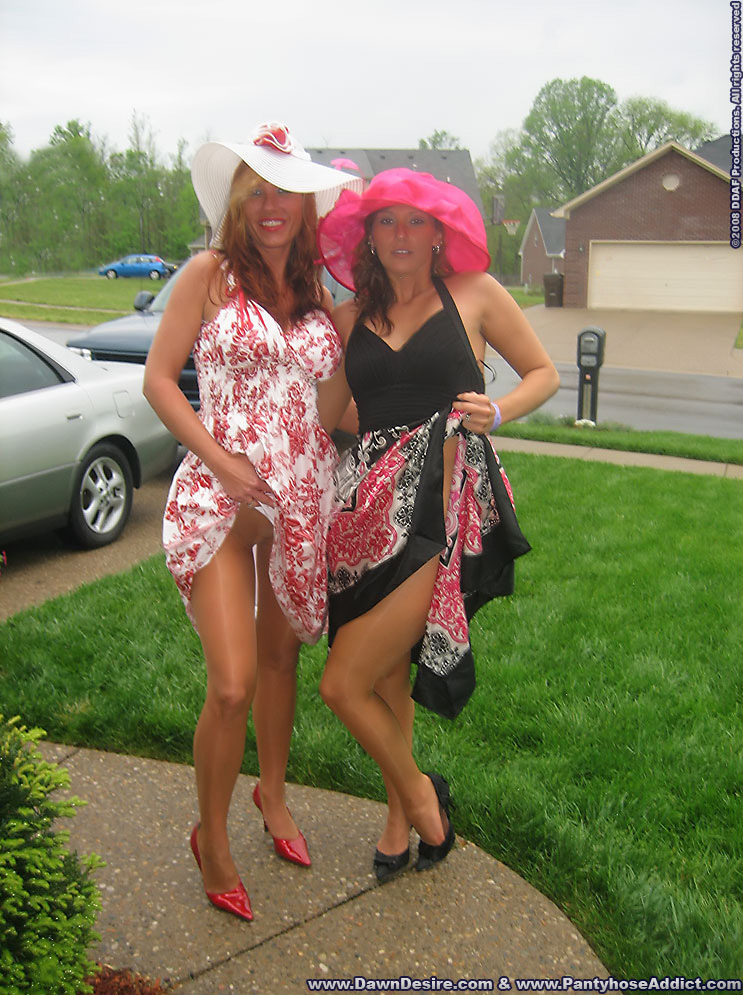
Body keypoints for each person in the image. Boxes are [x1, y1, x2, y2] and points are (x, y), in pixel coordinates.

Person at [142, 123, 362, 921]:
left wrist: (403, 394)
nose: (272, 205)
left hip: (299, 504)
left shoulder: (317, 295)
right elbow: (159, 382)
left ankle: (273, 793)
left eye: (285, 192)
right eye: (257, 191)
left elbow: (332, 409)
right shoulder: (209, 274)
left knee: (279, 661)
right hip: (222, 503)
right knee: (232, 683)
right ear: (237, 201)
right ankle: (212, 836)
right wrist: (222, 460)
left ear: (305, 207)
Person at [315, 168, 560, 880]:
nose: (401, 234)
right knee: (387, 674)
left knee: (342, 684)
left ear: (438, 234)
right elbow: (328, 415)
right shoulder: (348, 316)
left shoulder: (474, 294)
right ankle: (400, 815)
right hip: (365, 512)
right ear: (368, 234)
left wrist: (498, 410)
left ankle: (424, 800)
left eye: (415, 220)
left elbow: (542, 372)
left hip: (440, 507)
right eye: (386, 220)